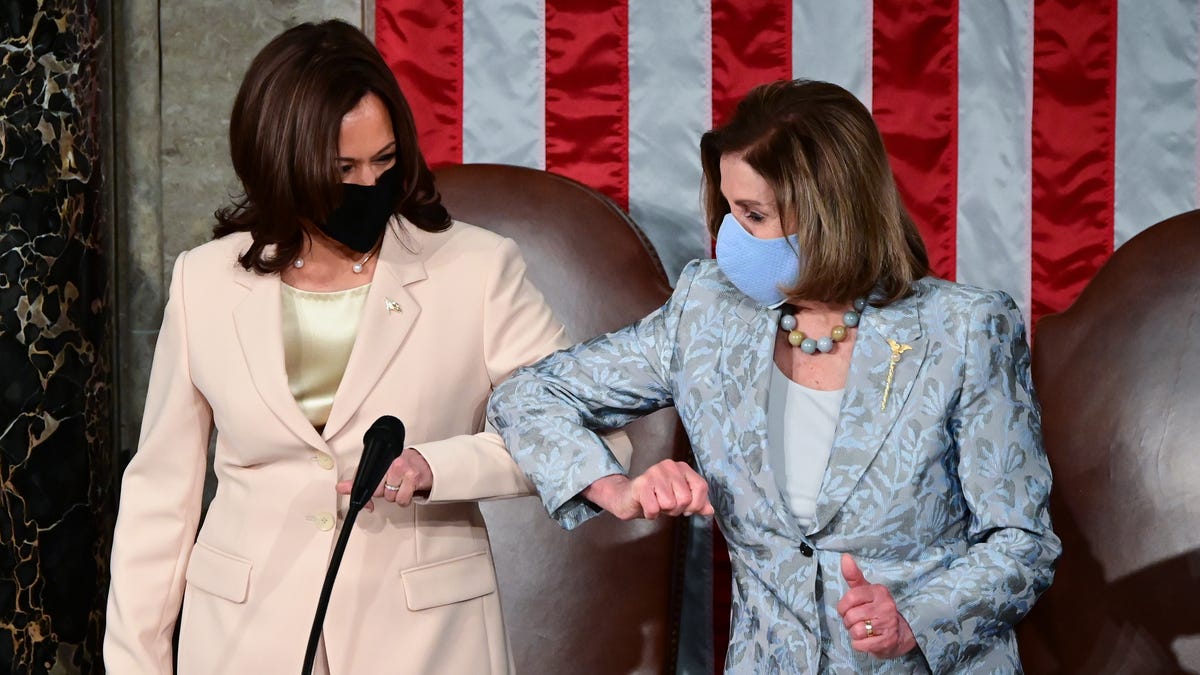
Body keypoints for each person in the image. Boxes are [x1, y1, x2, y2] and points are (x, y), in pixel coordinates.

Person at [488, 79, 1061, 673]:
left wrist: (917, 616)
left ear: (830, 215)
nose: (728, 235)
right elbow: (530, 394)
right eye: (729, 209)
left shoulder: (964, 327)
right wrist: (614, 487)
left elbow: (1023, 542)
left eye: (753, 215)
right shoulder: (706, 312)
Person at [105, 19, 571, 674]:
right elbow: (160, 499)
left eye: (383, 162)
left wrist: (440, 466)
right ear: (280, 161)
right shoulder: (204, 281)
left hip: (424, 645)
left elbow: (594, 440)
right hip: (241, 642)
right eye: (342, 168)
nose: (367, 185)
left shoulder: (479, 269)